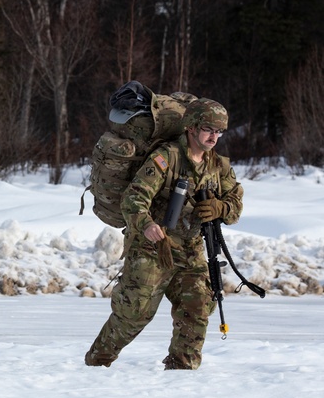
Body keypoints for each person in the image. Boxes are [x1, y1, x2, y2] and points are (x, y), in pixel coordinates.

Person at [85, 98, 243, 370]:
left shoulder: (218, 166)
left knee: (198, 307)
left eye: (219, 131)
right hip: (152, 247)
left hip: (191, 249)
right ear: (191, 128)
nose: (214, 136)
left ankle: (181, 373)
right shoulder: (166, 157)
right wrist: (146, 224)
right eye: (208, 129)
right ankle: (95, 366)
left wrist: (221, 207)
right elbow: (134, 198)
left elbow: (236, 205)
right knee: (133, 314)